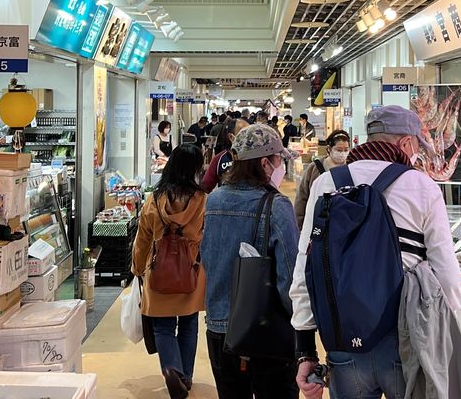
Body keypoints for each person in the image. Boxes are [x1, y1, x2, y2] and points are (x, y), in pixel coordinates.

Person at [291, 105, 461, 399]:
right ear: (407, 143)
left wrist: (304, 349)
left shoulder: (326, 183)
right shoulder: (421, 186)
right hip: (405, 336)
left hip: (342, 334)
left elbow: (305, 268)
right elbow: (447, 274)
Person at [201, 124, 300, 399]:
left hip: (220, 326)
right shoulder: (277, 206)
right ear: (265, 163)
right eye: (278, 160)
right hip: (266, 330)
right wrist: (301, 325)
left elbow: (207, 257)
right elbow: (290, 277)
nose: (280, 165)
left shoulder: (214, 200)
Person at [132, 144, 207, 399]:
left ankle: (172, 370)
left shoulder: (154, 199)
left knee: (163, 328)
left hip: (158, 272)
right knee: (188, 324)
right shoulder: (203, 200)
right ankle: (185, 376)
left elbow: (142, 239)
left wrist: (137, 267)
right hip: (191, 271)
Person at [293, 129, 350, 229]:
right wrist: (300, 224)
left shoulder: (351, 168)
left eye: (346, 150)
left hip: (342, 224)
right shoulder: (315, 168)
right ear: (329, 149)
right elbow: (302, 197)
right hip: (316, 223)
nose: (342, 153)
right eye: (339, 150)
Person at [202, 117, 249, 192]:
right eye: (244, 133)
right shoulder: (219, 159)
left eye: (251, 133)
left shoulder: (257, 158)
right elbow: (205, 187)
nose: (249, 137)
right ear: (231, 137)